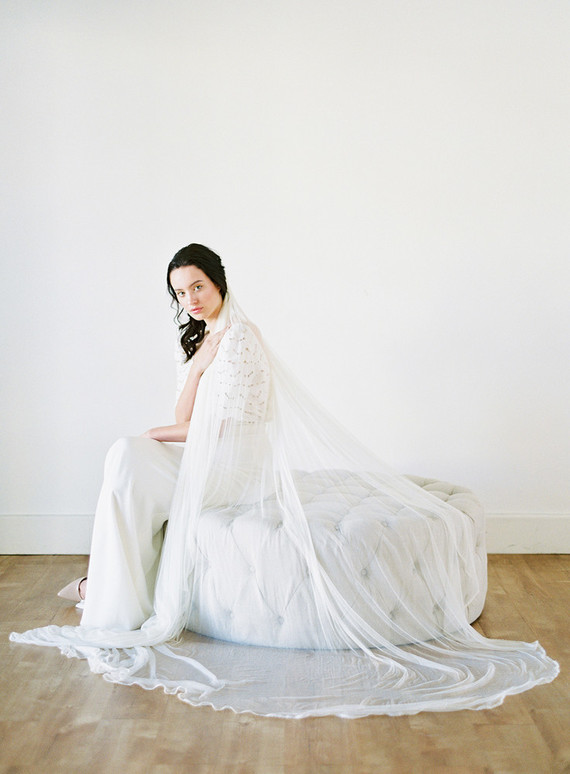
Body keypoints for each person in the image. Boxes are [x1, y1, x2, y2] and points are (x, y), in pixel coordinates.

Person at [11, 244, 559, 718]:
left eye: (198, 286)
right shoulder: (202, 341)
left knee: (129, 453)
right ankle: (111, 594)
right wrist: (197, 366)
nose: (191, 299)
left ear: (218, 282)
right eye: (180, 293)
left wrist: (156, 432)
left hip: (236, 465)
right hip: (203, 455)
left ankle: (106, 593)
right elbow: (184, 413)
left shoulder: (242, 337)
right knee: (128, 464)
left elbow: (226, 425)